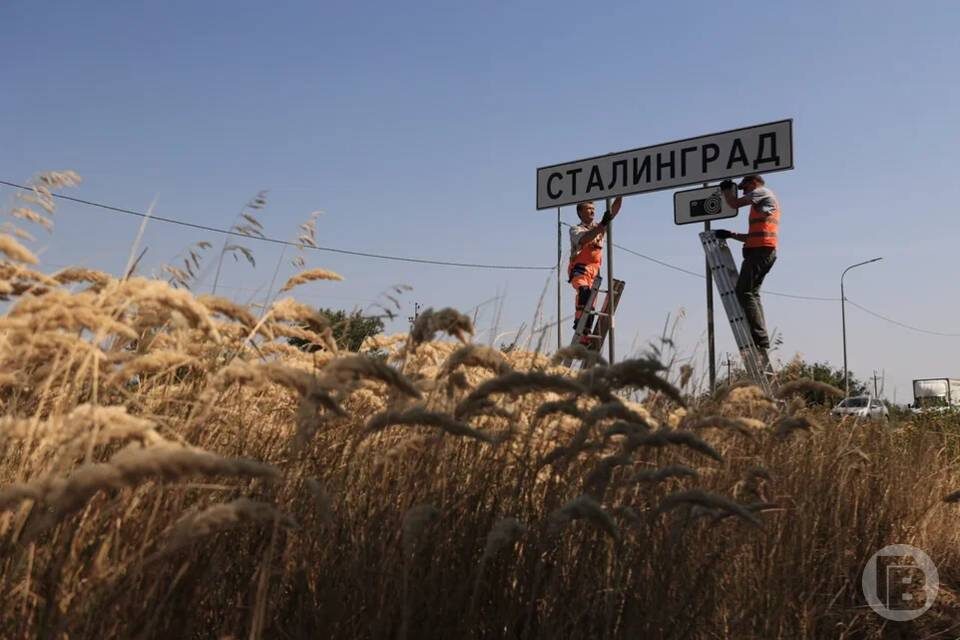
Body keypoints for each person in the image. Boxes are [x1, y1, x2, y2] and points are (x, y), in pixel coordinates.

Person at [714, 174, 780, 364]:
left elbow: (734, 204)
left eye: (745, 188)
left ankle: (759, 339)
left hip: (761, 251)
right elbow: (753, 235)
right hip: (764, 250)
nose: (744, 192)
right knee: (752, 293)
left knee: (743, 291)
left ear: (753, 183)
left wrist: (726, 190)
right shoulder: (762, 204)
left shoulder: (761, 192)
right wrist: (731, 234)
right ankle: (761, 337)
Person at [568, 197, 622, 345]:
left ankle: (586, 333)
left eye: (593, 209)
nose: (592, 211)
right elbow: (585, 239)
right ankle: (580, 330)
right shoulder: (576, 229)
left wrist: (620, 194)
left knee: (591, 304)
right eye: (588, 209)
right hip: (580, 269)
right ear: (580, 212)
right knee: (584, 292)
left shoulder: (600, 228)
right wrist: (603, 225)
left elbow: (613, 212)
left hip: (595, 273)